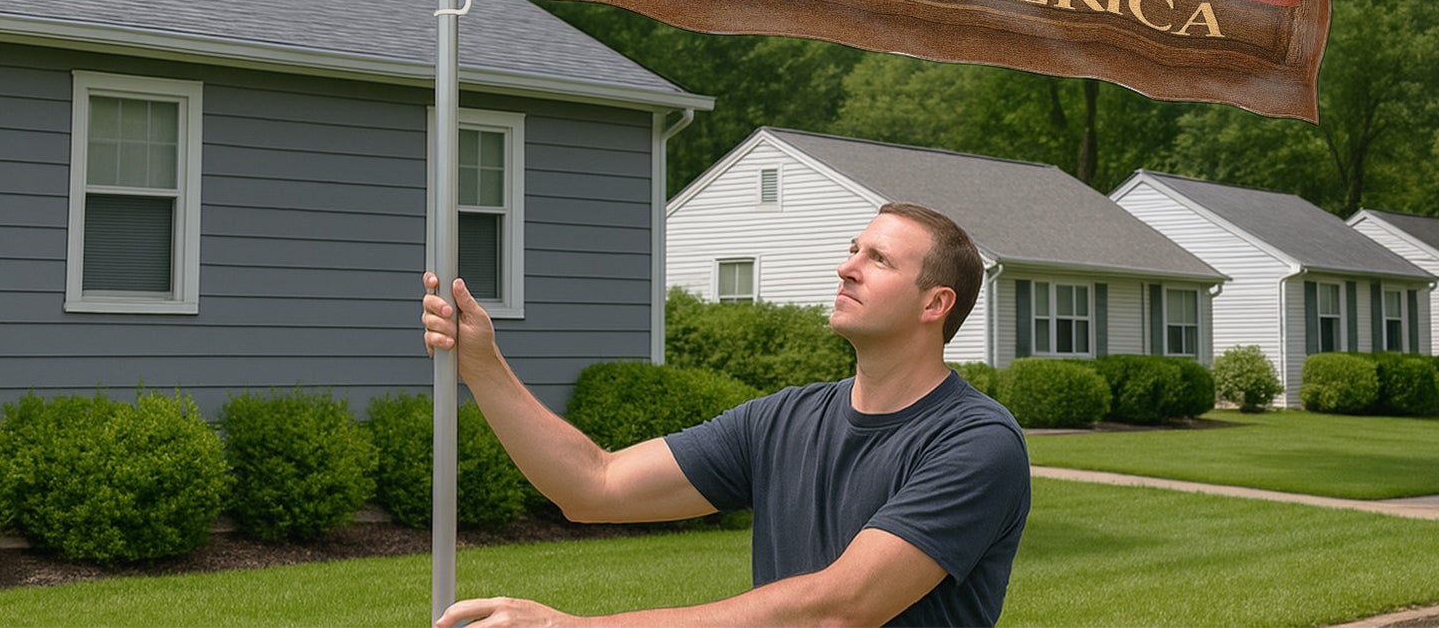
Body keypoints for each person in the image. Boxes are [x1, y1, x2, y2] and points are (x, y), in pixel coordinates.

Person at [421, 200, 1031, 628]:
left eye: (878, 259)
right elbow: (593, 486)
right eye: (852, 249)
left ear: (936, 303)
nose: (846, 266)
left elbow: (839, 609)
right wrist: (483, 365)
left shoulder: (976, 444)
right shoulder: (783, 420)